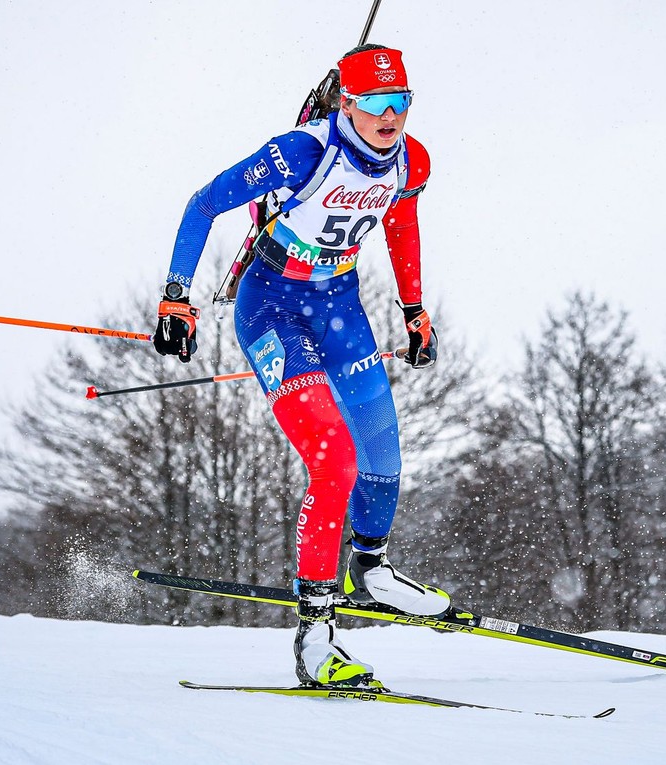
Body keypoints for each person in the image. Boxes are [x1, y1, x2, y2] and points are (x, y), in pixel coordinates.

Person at [152, 44, 448, 688]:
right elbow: (205, 203)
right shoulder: (302, 152)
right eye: (374, 104)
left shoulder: (410, 160)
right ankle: (316, 638)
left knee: (383, 452)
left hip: (340, 305)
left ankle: (371, 570)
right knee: (334, 461)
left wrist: (415, 310)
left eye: (399, 103)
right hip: (274, 310)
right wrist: (177, 295)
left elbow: (402, 227)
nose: (389, 118)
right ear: (345, 102)